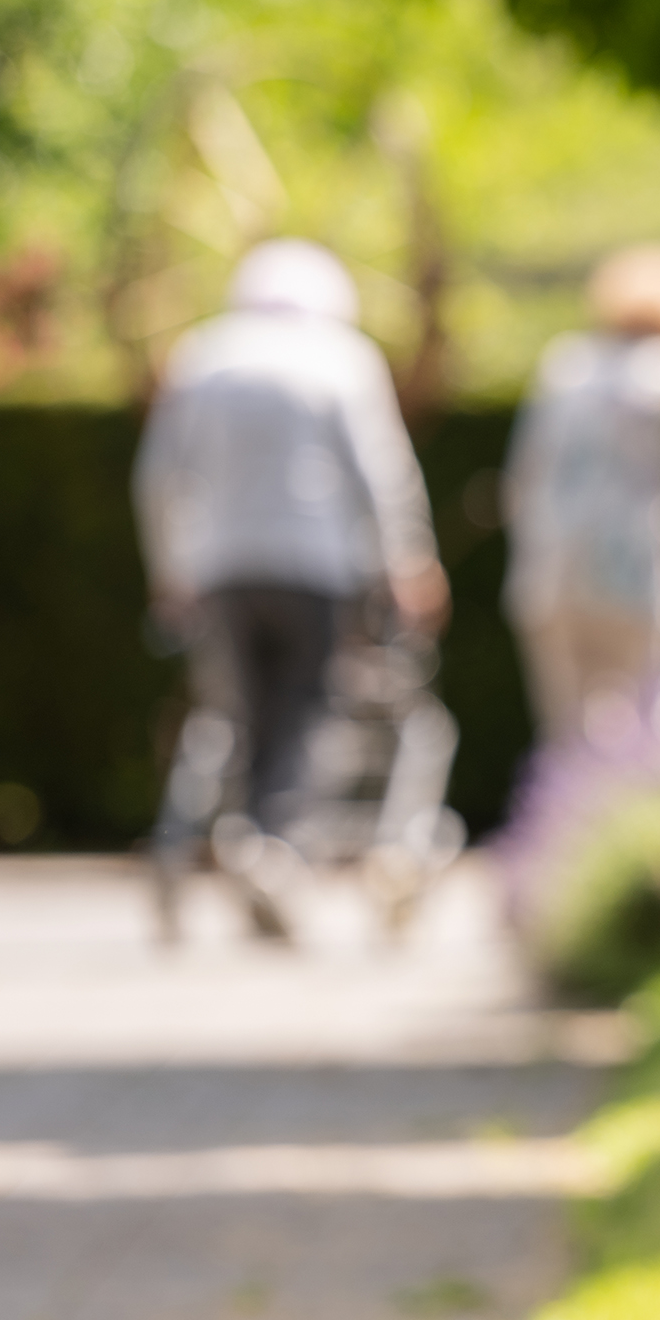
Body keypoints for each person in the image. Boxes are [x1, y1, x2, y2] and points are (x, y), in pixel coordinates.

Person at [135, 239, 446, 930]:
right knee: (310, 707)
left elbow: (158, 477)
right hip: (316, 564)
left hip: (219, 566)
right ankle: (273, 841)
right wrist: (410, 562)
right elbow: (383, 473)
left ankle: (249, 837)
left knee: (240, 712)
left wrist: (169, 568)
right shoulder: (344, 357)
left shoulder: (201, 356)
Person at [503, 243, 660, 747]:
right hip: (648, 572)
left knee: (569, 732)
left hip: (553, 571)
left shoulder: (566, 367)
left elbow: (525, 473)